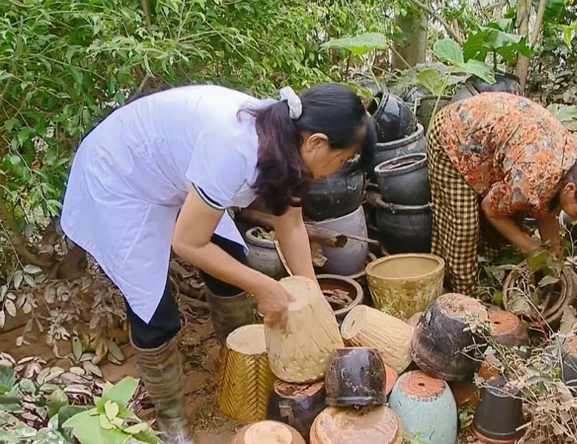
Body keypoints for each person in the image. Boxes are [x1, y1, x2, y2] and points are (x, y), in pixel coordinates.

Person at [59, 83, 375, 443]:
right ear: (316, 142)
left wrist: (311, 296)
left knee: (232, 262)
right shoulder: (234, 147)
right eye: (341, 159)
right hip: (122, 175)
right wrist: (263, 286)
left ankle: (236, 363)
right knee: (153, 309)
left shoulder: (289, 139)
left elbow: (290, 222)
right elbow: (188, 242)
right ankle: (172, 422)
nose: (336, 170)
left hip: (173, 173)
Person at [427, 92, 577, 295]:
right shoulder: (531, 181)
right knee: (464, 227)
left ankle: (488, 277)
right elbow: (491, 208)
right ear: (570, 190)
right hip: (453, 136)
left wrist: (553, 251)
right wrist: (529, 246)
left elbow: (548, 209)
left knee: (507, 226)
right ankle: (464, 297)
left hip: (492, 139)